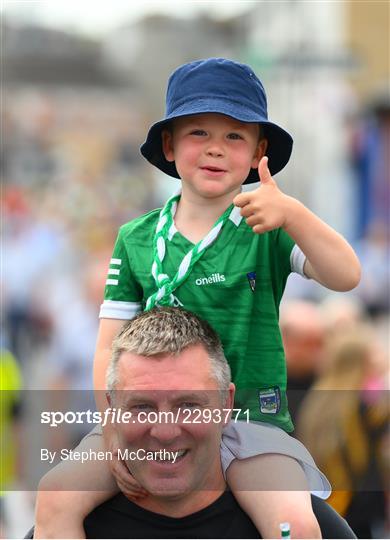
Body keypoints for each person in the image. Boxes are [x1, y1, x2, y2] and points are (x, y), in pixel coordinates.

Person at [34, 58, 361, 539]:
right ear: (169, 144)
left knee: (294, 525)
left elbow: (347, 275)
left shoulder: (268, 224)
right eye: (198, 133)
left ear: (258, 151)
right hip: (152, 423)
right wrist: (113, 428)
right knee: (53, 496)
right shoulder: (135, 237)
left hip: (253, 424)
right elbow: (107, 348)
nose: (215, 149)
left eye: (234, 136)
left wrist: (292, 212)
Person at [31, 308, 356, 538]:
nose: (165, 431)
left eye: (188, 405)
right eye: (142, 407)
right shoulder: (69, 525)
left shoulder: (307, 526)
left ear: (227, 404)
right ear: (111, 410)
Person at [297, 324, 389, 539]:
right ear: (360, 361)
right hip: (362, 505)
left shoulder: (317, 399)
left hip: (326, 499)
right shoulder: (367, 406)